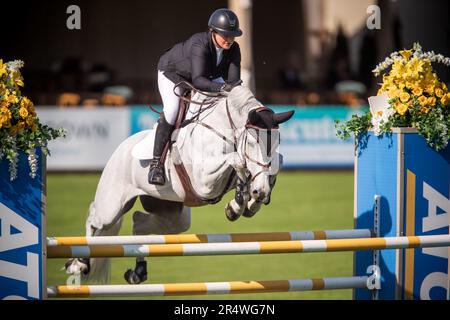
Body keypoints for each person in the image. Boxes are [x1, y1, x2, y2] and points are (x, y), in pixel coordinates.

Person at [148, 8, 243, 185]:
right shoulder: (200, 44)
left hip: (206, 76)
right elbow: (199, 81)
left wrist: (234, 92)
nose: (230, 39)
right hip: (173, 74)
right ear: (213, 32)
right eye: (225, 35)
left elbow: (234, 82)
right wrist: (224, 87)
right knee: (172, 110)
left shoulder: (234, 48)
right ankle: (156, 165)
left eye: (233, 35)